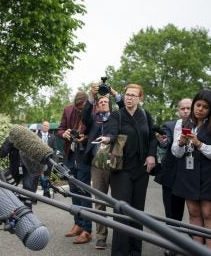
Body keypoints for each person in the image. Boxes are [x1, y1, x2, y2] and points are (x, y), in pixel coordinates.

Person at [101, 83, 156, 256]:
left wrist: (151, 155)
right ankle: (119, 252)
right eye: (127, 94)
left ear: (140, 98)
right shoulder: (118, 115)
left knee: (138, 211)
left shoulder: (145, 115)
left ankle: (135, 251)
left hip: (141, 170)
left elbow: (153, 137)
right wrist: (108, 138)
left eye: (133, 95)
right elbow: (112, 131)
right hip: (121, 169)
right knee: (122, 210)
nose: (129, 97)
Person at [82, 83, 124, 250]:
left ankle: (120, 236)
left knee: (118, 201)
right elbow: (84, 115)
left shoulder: (117, 117)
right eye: (100, 102)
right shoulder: (93, 119)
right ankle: (101, 237)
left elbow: (123, 107)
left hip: (115, 162)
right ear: (97, 107)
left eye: (106, 102)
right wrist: (92, 96)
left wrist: (112, 92)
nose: (103, 103)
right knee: (99, 201)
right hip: (97, 165)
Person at [171, 89, 211, 249]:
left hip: (208, 174)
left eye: (205, 107)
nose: (200, 109)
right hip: (188, 173)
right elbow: (176, 152)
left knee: (208, 213)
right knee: (194, 213)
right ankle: (196, 250)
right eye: (198, 105)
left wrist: (199, 144)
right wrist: (181, 142)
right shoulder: (183, 123)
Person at [57, 91, 92, 244]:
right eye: (78, 108)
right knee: (74, 191)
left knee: (84, 192)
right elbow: (60, 129)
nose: (80, 110)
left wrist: (85, 138)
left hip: (84, 157)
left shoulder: (93, 109)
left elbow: (96, 132)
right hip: (70, 156)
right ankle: (78, 224)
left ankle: (87, 229)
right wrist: (63, 133)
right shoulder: (68, 110)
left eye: (83, 108)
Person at [154, 99, 192, 223]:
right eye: (183, 108)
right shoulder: (170, 125)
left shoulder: (203, 126)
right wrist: (163, 141)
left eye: (188, 108)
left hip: (195, 176)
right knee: (172, 217)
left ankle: (198, 241)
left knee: (198, 213)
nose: (186, 111)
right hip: (172, 176)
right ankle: (172, 241)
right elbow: (166, 140)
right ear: (178, 111)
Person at [37, 120, 57, 198]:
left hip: (49, 160)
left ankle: (46, 192)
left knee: (47, 176)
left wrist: (52, 158)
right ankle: (44, 188)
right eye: (44, 125)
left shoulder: (52, 137)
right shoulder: (37, 135)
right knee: (40, 175)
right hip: (38, 160)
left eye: (47, 126)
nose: (45, 127)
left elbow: (55, 149)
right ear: (42, 126)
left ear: (49, 128)